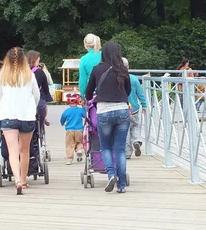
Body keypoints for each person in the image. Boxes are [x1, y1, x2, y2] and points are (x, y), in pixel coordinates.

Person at [85, 42, 131, 193]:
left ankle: (111, 174)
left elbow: (88, 92)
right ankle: (122, 185)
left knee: (105, 147)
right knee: (120, 150)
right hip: (122, 111)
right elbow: (128, 90)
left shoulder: (97, 69)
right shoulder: (123, 69)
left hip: (104, 111)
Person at [0, 47, 40, 195]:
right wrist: (31, 106)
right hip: (26, 116)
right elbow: (36, 95)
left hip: (8, 115)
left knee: (12, 151)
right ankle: (24, 180)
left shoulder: (3, 76)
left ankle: (16, 180)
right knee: (25, 150)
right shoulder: (29, 75)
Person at [122, 57, 147, 159]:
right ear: (128, 67)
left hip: (123, 108)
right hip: (135, 108)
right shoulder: (134, 78)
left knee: (125, 130)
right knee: (136, 126)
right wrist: (144, 105)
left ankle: (127, 153)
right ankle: (136, 141)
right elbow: (140, 93)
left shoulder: (117, 78)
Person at [26, 50, 53, 126]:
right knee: (42, 109)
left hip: (25, 98)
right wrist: (48, 96)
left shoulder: (22, 71)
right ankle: (42, 123)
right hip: (38, 97)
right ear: (35, 60)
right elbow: (45, 87)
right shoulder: (39, 72)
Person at [60, 94, 85, 165]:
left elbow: (62, 119)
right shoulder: (80, 110)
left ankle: (69, 159)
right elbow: (85, 116)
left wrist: (62, 123)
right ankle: (79, 150)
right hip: (79, 129)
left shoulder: (67, 111)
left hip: (69, 130)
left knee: (69, 144)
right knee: (80, 142)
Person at [79, 33, 102, 98]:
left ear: (85, 45)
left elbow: (83, 80)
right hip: (106, 90)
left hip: (91, 92)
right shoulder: (104, 55)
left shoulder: (84, 59)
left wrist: (83, 96)